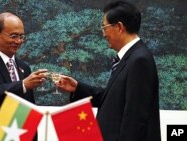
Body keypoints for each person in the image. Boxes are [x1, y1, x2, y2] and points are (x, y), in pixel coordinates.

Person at [56, 1, 161, 141]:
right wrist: (77, 88)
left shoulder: (139, 60)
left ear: (119, 27)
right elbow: (111, 98)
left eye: (104, 28)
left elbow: (135, 119)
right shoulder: (129, 58)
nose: (103, 34)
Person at [0, 12, 47, 141]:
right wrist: (22, 85)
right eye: (14, 36)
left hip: (20, 136)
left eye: (21, 37)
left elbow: (28, 109)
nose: (18, 41)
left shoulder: (24, 68)